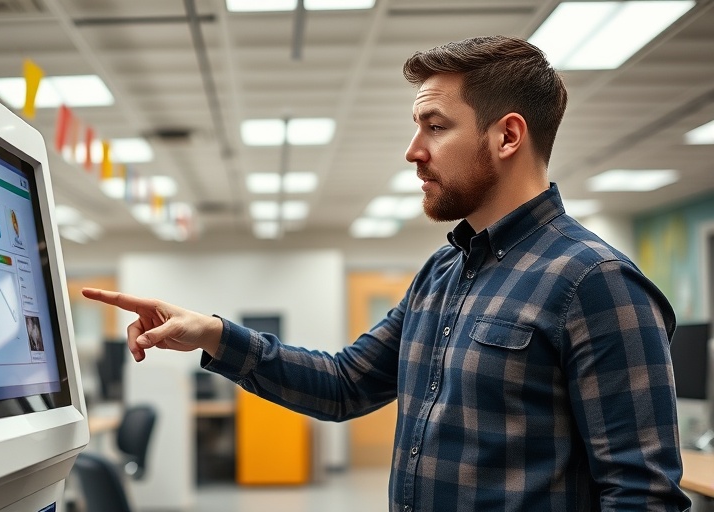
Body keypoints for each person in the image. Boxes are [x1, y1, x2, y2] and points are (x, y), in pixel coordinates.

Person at [83, 35, 690, 511]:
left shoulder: (595, 283)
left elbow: (643, 497)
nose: (413, 149)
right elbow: (346, 383)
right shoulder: (442, 273)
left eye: (435, 125)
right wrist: (214, 334)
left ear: (507, 136)